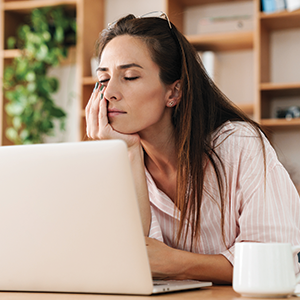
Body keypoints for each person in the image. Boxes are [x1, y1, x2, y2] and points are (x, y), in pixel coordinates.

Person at [85, 12, 300, 284]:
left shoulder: (239, 145)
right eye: (103, 79)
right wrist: (125, 153)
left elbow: (273, 264)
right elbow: (127, 263)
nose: (109, 92)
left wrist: (173, 262)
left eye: (129, 76)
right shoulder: (120, 157)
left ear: (173, 92)